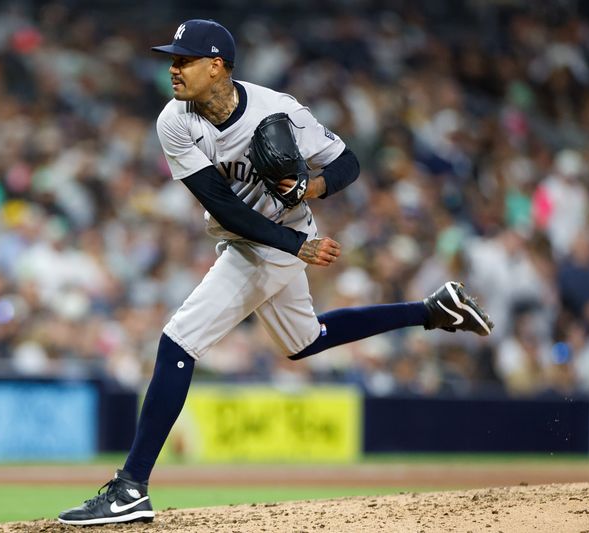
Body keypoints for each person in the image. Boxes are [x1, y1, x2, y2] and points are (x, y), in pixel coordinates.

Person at [58, 19, 493, 526]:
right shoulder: (174, 120)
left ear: (216, 66)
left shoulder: (279, 110)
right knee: (305, 340)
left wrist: (311, 189)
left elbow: (347, 163)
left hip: (275, 244)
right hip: (267, 238)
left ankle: (131, 487)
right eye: (172, 59)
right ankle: (432, 309)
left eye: (184, 60)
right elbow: (221, 203)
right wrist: (299, 245)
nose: (173, 69)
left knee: (178, 342)